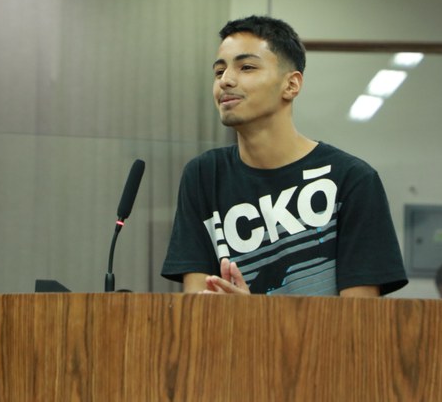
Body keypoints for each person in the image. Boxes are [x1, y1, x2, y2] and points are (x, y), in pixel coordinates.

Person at [161, 15, 407, 296]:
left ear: (291, 85)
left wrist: (254, 315)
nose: (226, 81)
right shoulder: (204, 175)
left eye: (246, 67)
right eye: (219, 72)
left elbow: (359, 316)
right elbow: (197, 305)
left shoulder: (352, 179)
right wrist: (235, 314)